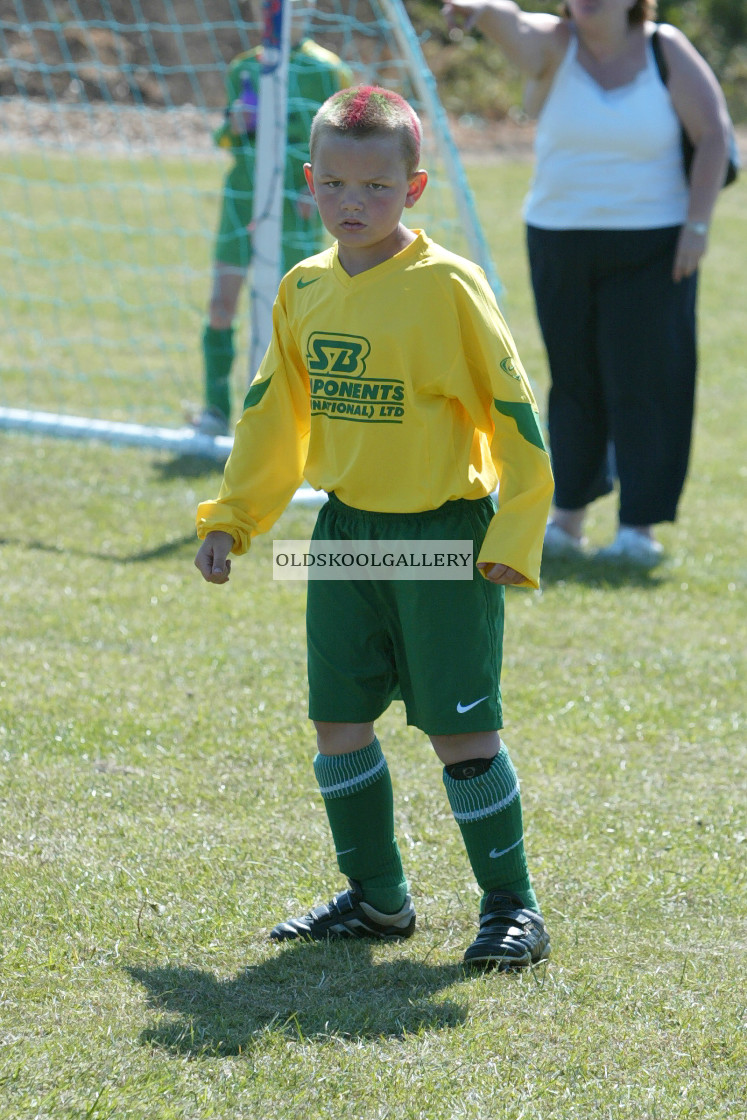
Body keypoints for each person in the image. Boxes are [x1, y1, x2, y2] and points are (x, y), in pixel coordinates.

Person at [194, 85, 555, 970]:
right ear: (310, 182)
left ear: (415, 187)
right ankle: (378, 901)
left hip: (443, 536)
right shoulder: (304, 288)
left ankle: (512, 908)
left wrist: (513, 532)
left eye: (377, 188)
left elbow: (515, 414)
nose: (354, 204)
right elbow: (272, 417)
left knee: (460, 732)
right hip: (348, 535)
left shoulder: (448, 289)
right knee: (338, 722)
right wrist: (234, 519)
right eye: (336, 186)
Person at [443, 0, 732, 565]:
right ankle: (568, 518)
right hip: (559, 239)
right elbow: (510, 22)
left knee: (647, 380)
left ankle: (637, 530)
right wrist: (477, 10)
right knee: (573, 379)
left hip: (655, 246)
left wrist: (697, 226)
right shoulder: (555, 43)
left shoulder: (663, 47)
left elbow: (716, 136)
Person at [194, 0, 351, 437]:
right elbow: (225, 136)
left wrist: (321, 187)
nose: (279, 12)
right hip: (241, 201)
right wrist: (236, 122)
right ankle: (213, 410)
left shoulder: (328, 70)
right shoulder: (244, 68)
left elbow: (342, 142)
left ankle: (282, 417)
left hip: (294, 205)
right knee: (221, 304)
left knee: (290, 315)